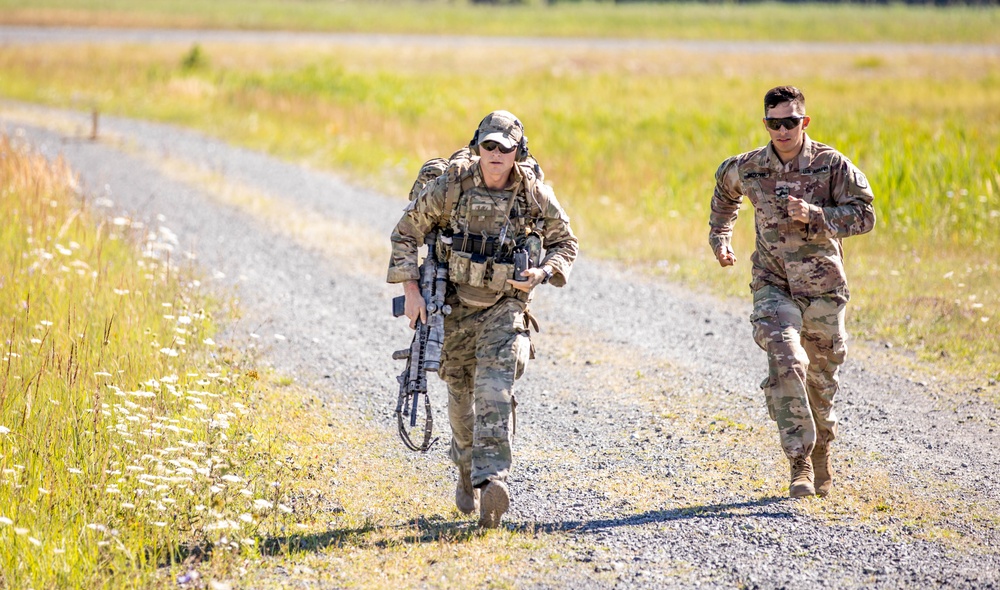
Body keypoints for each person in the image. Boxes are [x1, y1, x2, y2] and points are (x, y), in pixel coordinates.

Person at [388, 110, 578, 527]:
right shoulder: (452, 185)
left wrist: (543, 272)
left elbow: (566, 242)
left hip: (503, 306)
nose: (495, 154)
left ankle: (492, 482)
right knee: (460, 396)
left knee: (494, 387)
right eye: (488, 146)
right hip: (452, 306)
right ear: (479, 147)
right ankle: (464, 468)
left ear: (517, 152)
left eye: (504, 148)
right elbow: (406, 233)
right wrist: (413, 291)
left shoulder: (533, 193)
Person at [709, 86, 875, 498]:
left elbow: (866, 215)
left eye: (791, 122)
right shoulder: (748, 167)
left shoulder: (831, 165)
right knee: (786, 357)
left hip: (823, 288)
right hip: (772, 283)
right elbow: (724, 196)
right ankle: (798, 460)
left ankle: (821, 456)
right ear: (765, 123)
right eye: (773, 123)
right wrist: (720, 238)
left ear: (805, 121)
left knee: (820, 380)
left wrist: (817, 215)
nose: (782, 131)